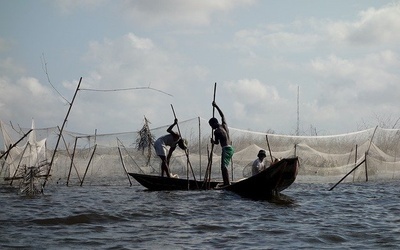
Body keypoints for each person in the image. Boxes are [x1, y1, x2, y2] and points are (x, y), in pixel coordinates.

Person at [209, 101, 234, 186]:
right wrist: (216, 106)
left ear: (214, 124)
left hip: (226, 149)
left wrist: (212, 141)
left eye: (211, 126)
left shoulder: (216, 131)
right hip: (231, 148)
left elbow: (216, 142)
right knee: (224, 166)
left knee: (224, 167)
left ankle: (227, 183)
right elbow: (222, 115)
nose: (211, 128)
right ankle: (226, 182)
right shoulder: (224, 125)